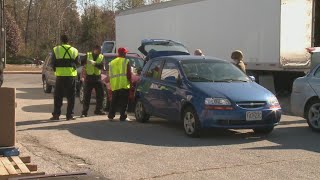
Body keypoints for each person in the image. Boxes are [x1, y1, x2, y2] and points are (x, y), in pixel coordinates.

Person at [50, 35, 79, 120]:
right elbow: (78, 63)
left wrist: (57, 71)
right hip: (71, 76)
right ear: (68, 41)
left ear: (61, 41)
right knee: (71, 97)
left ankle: (56, 115)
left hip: (60, 76)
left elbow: (53, 63)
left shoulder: (56, 49)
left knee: (58, 96)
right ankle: (69, 115)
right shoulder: (74, 50)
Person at [80, 45, 106, 117]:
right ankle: (84, 112)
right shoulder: (88, 55)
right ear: (94, 49)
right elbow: (81, 62)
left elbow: (101, 66)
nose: (100, 51)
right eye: (98, 50)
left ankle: (98, 110)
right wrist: (84, 63)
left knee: (100, 95)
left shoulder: (101, 56)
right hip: (89, 78)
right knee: (87, 96)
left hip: (97, 78)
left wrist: (94, 63)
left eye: (100, 50)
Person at [108, 47, 132, 121]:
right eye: (125, 53)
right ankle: (123, 116)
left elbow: (110, 74)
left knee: (114, 101)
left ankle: (111, 116)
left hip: (115, 85)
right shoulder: (126, 61)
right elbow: (128, 74)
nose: (126, 54)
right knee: (123, 102)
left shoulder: (112, 62)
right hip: (123, 84)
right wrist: (130, 82)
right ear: (122, 53)